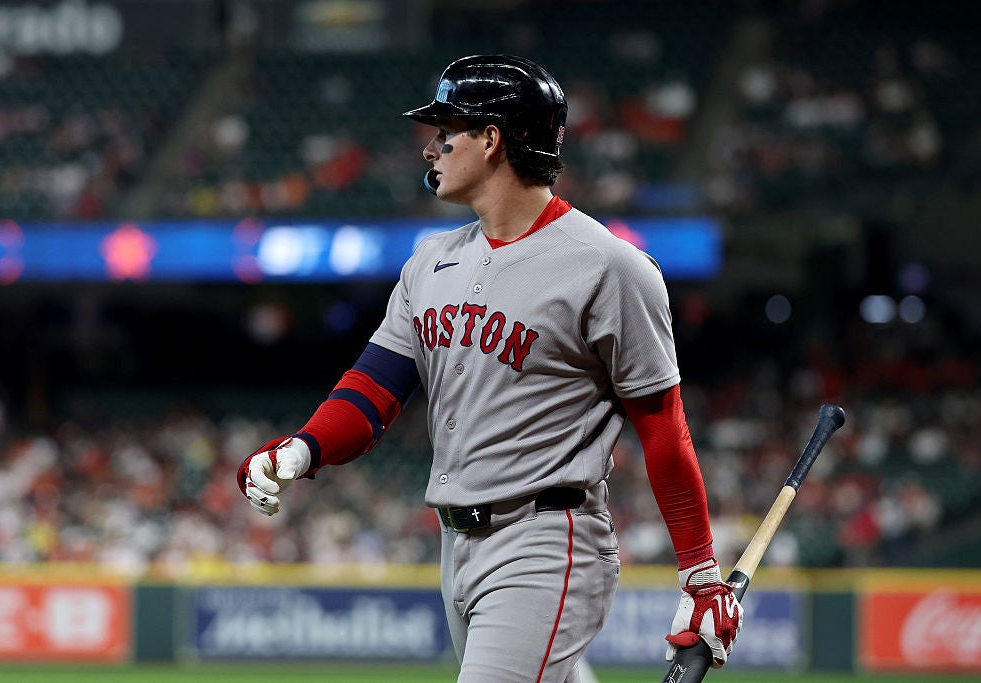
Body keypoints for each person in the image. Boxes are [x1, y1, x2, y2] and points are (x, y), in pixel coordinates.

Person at [237, 54, 742, 683]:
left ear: (493, 138)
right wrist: (305, 448)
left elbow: (664, 429)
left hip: (546, 536)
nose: (431, 149)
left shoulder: (610, 266)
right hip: (456, 543)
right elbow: (372, 390)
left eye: (447, 131)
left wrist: (700, 575)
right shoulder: (432, 261)